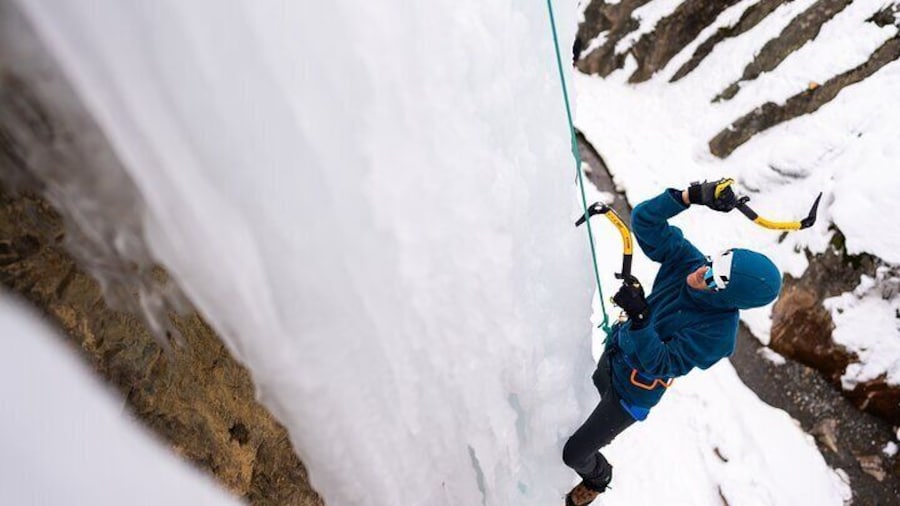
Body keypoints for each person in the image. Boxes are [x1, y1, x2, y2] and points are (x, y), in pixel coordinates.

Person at [562, 180, 783, 506]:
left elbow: (660, 363)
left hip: (630, 395)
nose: (702, 272)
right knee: (588, 395)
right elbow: (645, 222)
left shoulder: (718, 335)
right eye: (716, 261)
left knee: (575, 452)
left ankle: (598, 476)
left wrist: (640, 319)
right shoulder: (689, 264)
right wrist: (690, 196)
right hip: (614, 355)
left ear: (729, 297)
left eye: (715, 278)